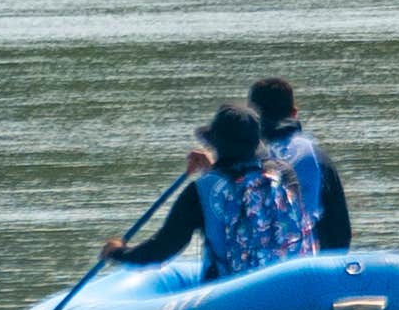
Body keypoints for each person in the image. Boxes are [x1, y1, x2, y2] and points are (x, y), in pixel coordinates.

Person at [105, 103, 319, 280]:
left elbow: (163, 248)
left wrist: (118, 253)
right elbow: (246, 184)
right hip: (291, 283)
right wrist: (213, 167)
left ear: (217, 144)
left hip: (231, 297)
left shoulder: (199, 193)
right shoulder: (285, 174)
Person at [251, 75, 355, 250]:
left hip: (252, 265)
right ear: (294, 113)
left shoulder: (240, 156)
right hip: (307, 265)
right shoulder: (317, 157)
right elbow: (340, 231)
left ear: (251, 116)